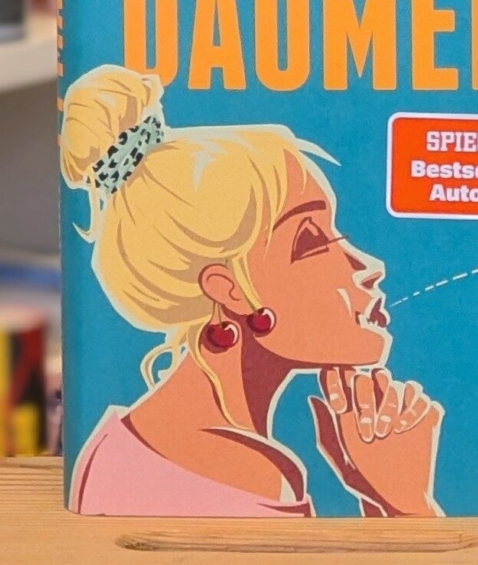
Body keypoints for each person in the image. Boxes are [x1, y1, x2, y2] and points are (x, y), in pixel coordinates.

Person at [60, 65, 444, 518]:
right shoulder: (247, 475)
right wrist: (407, 502)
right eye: (311, 241)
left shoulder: (123, 439)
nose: (370, 267)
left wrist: (378, 492)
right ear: (231, 290)